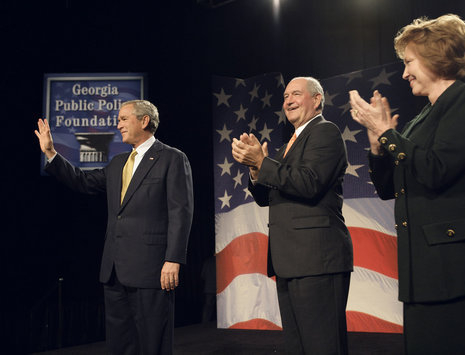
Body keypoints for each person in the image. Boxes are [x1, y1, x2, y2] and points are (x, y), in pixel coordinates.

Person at [349, 14, 465, 354]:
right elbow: (390, 188)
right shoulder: (424, 116)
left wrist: (389, 134)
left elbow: (437, 170)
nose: (404, 72)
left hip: (457, 268)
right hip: (424, 268)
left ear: (437, 56)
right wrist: (377, 141)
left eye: (408, 62)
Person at [35, 100, 194, 355]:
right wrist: (52, 153)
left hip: (151, 269)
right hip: (115, 270)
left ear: (144, 121)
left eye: (123, 119)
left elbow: (181, 212)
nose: (117, 124)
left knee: (152, 344)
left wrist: (173, 259)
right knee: (120, 345)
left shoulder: (172, 158)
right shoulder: (118, 162)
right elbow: (82, 181)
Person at [232, 77, 353, 354]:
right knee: (298, 347)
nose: (288, 101)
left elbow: (309, 183)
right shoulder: (290, 143)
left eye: (296, 94)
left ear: (316, 99)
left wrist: (262, 162)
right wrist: (255, 171)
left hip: (317, 259)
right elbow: (268, 197)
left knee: (322, 345)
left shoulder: (325, 132)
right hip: (291, 260)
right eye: (285, 96)